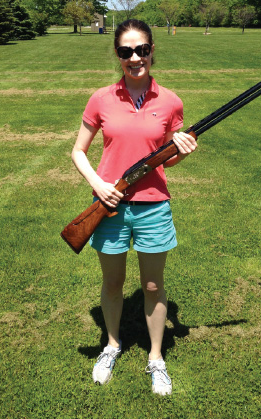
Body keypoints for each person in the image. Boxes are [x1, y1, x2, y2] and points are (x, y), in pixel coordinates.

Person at [71, 19, 197, 396]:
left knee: (154, 285)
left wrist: (181, 150)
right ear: (117, 54)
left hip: (153, 206)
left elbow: (165, 159)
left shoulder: (171, 101)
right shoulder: (101, 98)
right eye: (126, 51)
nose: (135, 57)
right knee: (112, 284)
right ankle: (111, 345)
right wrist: (100, 186)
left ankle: (156, 358)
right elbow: (78, 151)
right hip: (108, 205)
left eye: (141, 49)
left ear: (152, 50)